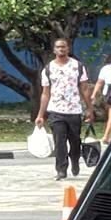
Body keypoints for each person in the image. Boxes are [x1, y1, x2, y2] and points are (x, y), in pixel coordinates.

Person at [35, 38, 94, 179]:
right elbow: (45, 93)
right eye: (58, 47)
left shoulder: (78, 66)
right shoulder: (48, 69)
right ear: (54, 50)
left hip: (74, 111)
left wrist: (89, 109)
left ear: (68, 49)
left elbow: (84, 88)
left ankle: (75, 160)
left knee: (75, 142)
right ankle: (61, 169)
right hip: (56, 111)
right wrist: (40, 115)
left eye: (64, 47)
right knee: (59, 141)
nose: (61, 49)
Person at [91, 52, 111, 144]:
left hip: (107, 94)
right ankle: (106, 136)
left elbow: (99, 82)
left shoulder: (104, 68)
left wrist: (94, 94)